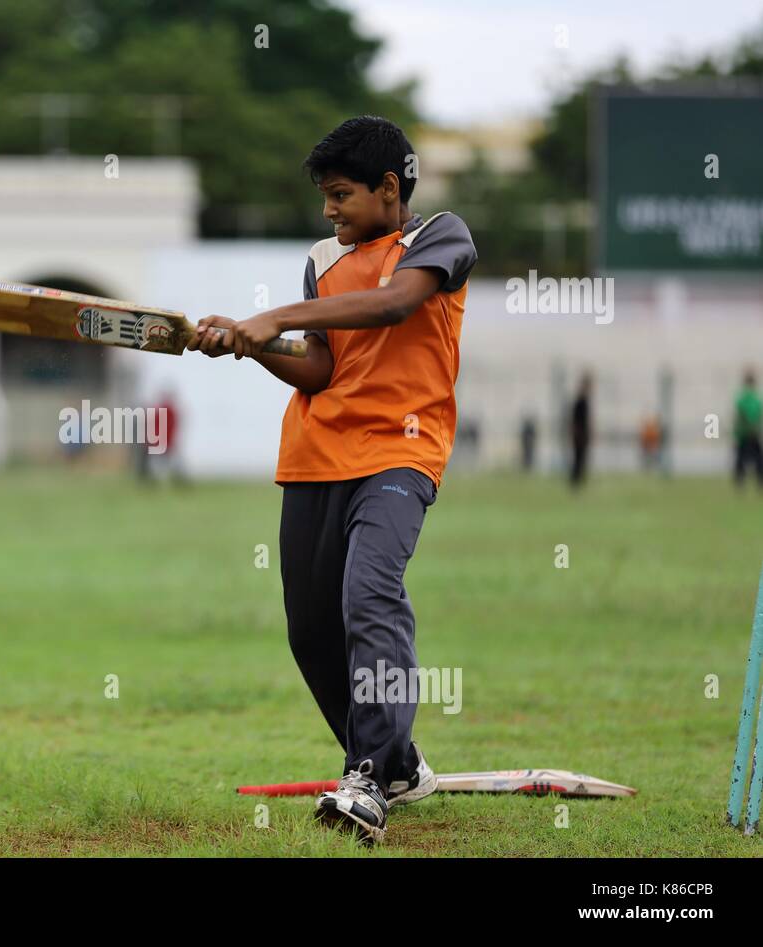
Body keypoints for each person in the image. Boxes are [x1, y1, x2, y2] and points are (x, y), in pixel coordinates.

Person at [189, 116, 477, 844]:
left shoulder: (440, 236)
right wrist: (250, 348)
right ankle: (400, 763)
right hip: (316, 456)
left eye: (341, 194)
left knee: (369, 592)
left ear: (389, 187)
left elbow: (392, 306)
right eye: (324, 196)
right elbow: (322, 365)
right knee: (311, 629)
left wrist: (271, 316)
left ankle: (370, 776)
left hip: (400, 455)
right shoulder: (323, 258)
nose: (329, 210)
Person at [734, 369, 763, 489]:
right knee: (758, 459)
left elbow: (740, 415)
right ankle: (759, 482)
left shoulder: (742, 398)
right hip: (752, 433)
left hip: (743, 433)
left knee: (741, 459)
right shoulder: (756, 399)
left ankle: (740, 482)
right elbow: (757, 416)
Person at [569, 373, 593, 490]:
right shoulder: (580, 401)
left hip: (582, 434)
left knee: (581, 459)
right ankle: (575, 482)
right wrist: (578, 434)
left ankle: (578, 482)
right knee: (578, 459)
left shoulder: (584, 401)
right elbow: (575, 420)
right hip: (579, 435)